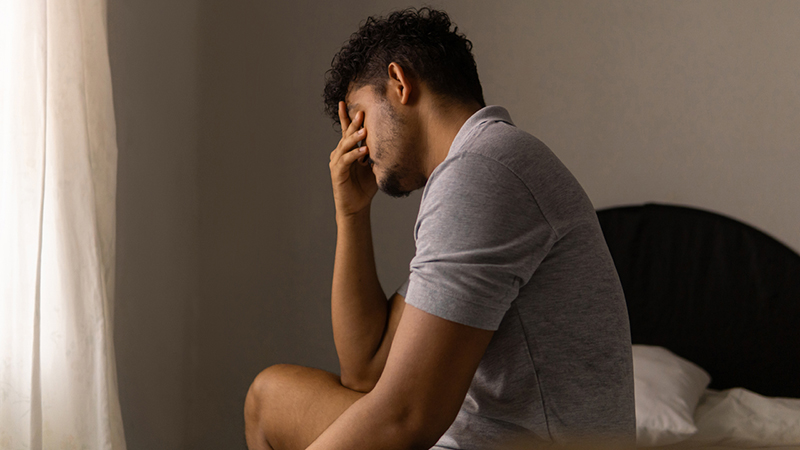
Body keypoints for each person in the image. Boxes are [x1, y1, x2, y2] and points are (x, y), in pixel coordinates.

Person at [244, 7, 635, 450]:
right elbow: (366, 369)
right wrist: (350, 215)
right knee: (269, 396)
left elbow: (407, 418)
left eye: (358, 117)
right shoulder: (484, 166)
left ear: (399, 83)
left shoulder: (482, 171)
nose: (356, 143)